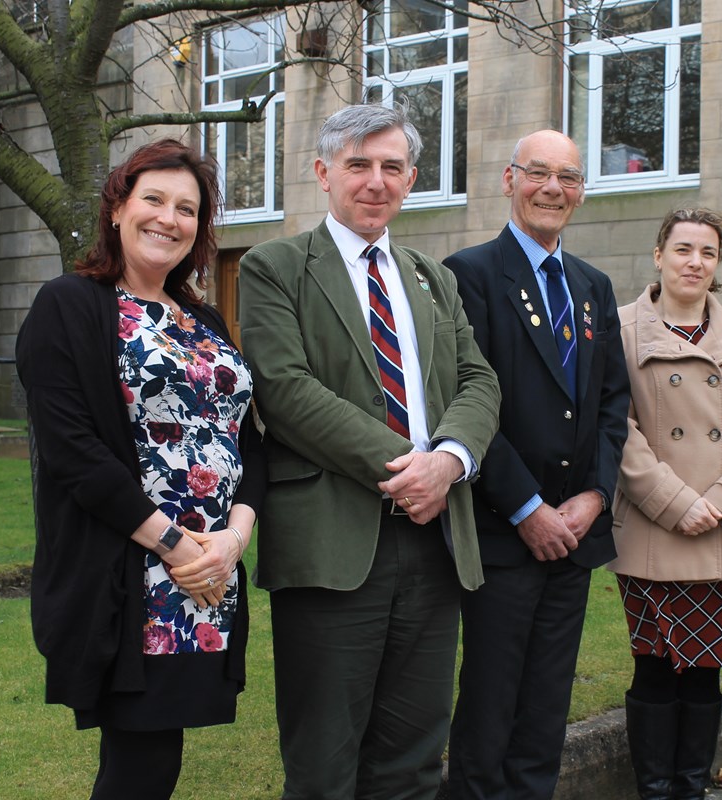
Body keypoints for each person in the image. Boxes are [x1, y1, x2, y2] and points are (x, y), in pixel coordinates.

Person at [238, 104, 500, 800]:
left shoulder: (431, 276)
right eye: (358, 164)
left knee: (413, 763)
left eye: (391, 166)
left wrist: (445, 462)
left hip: (433, 539)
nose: (375, 181)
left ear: (411, 178)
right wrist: (407, 469)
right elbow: (285, 392)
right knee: (324, 764)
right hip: (332, 547)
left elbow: (478, 379)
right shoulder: (275, 268)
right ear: (324, 173)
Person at [16, 139, 265, 799]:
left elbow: (249, 441)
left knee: (159, 763)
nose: (169, 218)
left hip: (207, 579)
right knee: (140, 768)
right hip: (134, 579)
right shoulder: (69, 306)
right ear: (119, 208)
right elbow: (74, 452)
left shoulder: (206, 320)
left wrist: (232, 543)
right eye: (153, 198)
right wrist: (180, 547)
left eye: (187, 208)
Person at [444, 129, 631, 800]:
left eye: (569, 178)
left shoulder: (592, 285)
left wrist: (594, 497)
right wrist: (528, 509)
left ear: (582, 192)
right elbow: (467, 405)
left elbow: (612, 403)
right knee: (490, 709)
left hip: (574, 538)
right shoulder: (469, 275)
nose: (553, 189)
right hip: (504, 533)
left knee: (545, 714)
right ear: (509, 179)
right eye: (539, 174)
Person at [610, 208, 722, 800]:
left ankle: (691, 789)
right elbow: (617, 425)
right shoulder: (622, 326)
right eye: (683, 249)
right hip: (655, 527)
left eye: (707, 252)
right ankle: (654, 791)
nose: (694, 262)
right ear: (659, 255)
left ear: (718, 263)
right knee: (655, 666)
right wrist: (674, 501)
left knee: (706, 671)